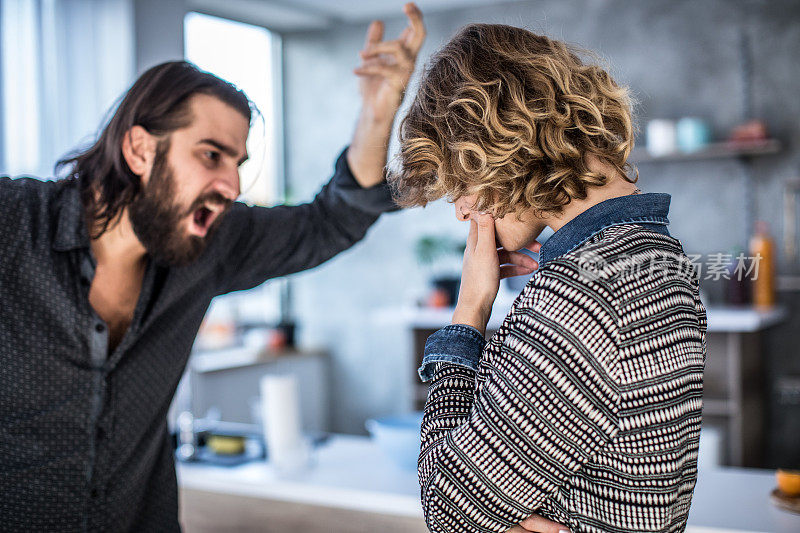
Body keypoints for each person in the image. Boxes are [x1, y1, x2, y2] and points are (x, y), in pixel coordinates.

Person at [0, 4, 425, 531]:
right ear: (138, 148)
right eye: (210, 156)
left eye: (237, 164)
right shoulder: (14, 225)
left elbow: (329, 222)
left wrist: (378, 113)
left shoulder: (210, 247)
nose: (231, 185)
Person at [391, 24, 707, 533]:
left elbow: (446, 505)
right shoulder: (658, 254)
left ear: (499, 147)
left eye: (460, 184)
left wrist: (470, 309)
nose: (462, 211)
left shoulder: (585, 294)